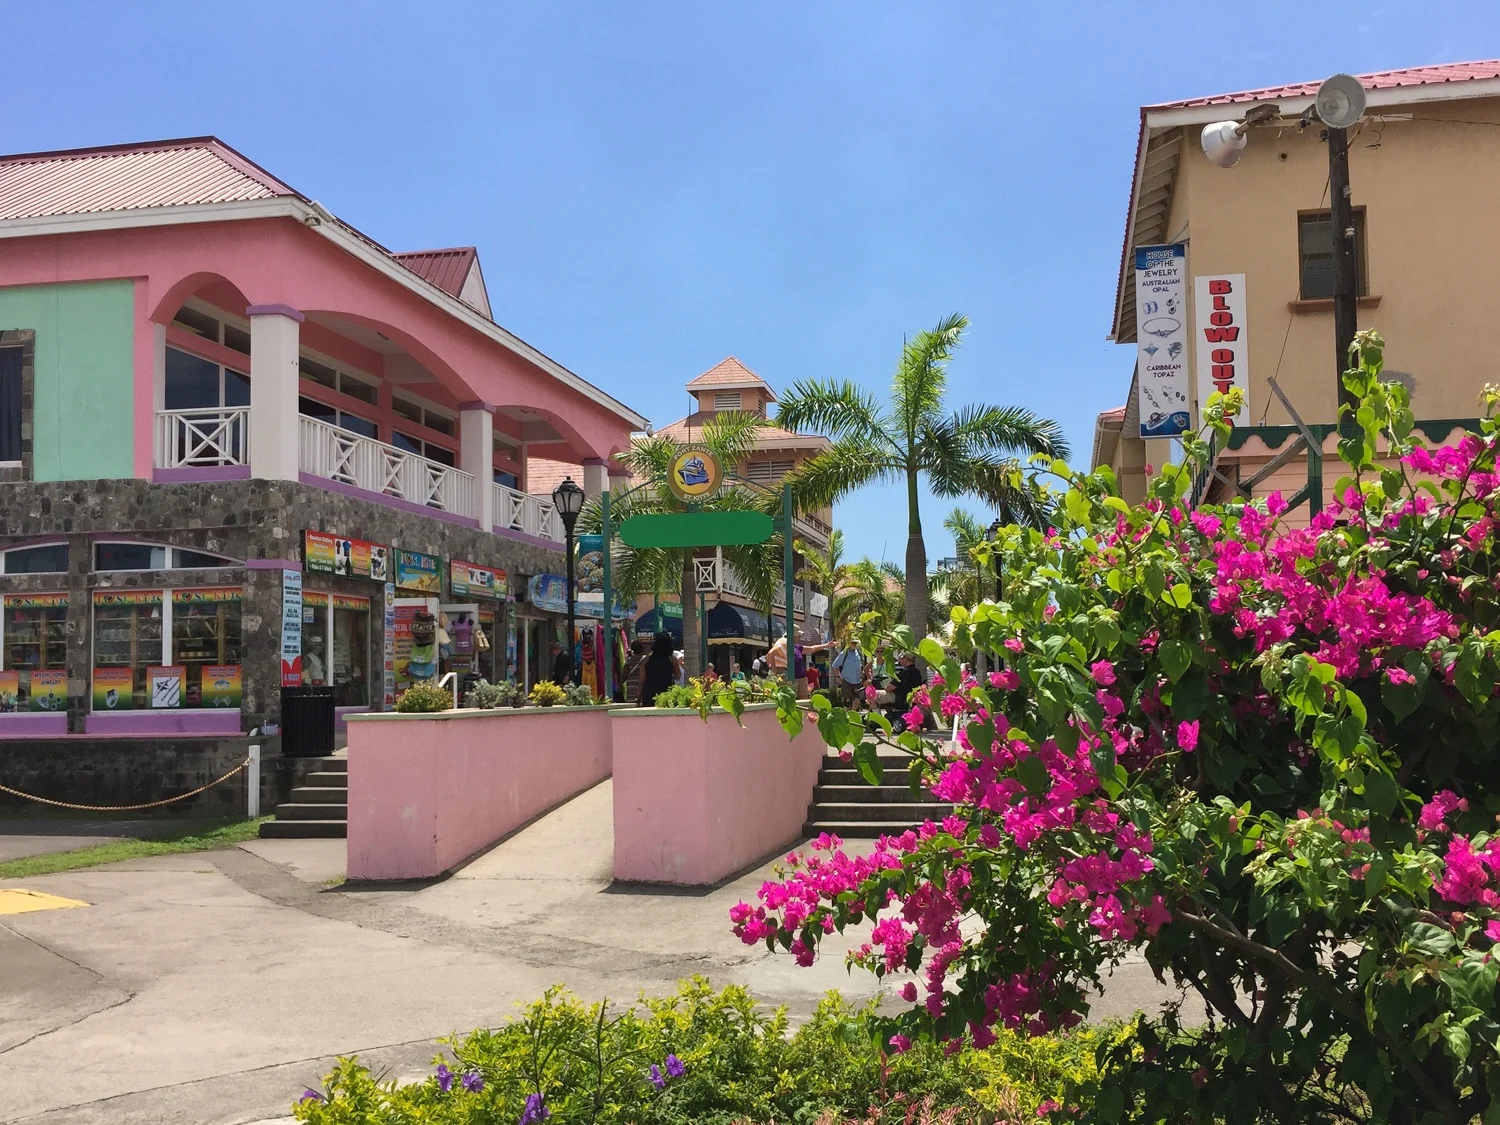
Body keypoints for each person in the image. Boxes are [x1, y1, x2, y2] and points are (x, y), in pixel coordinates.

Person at [638, 632, 681, 706]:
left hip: (649, 693)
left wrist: (638, 698)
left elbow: (642, 680)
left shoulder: (646, 659)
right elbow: (678, 677)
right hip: (667, 694)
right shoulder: (672, 659)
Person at [831, 636, 864, 708]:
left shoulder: (859, 653)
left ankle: (851, 716)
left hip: (857, 681)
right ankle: (846, 716)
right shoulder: (844, 653)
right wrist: (838, 677)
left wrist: (862, 674)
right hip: (847, 681)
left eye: (856, 643)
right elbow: (835, 665)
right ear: (849, 643)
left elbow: (861, 666)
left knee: (857, 701)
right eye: (853, 643)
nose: (854, 644)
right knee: (847, 701)